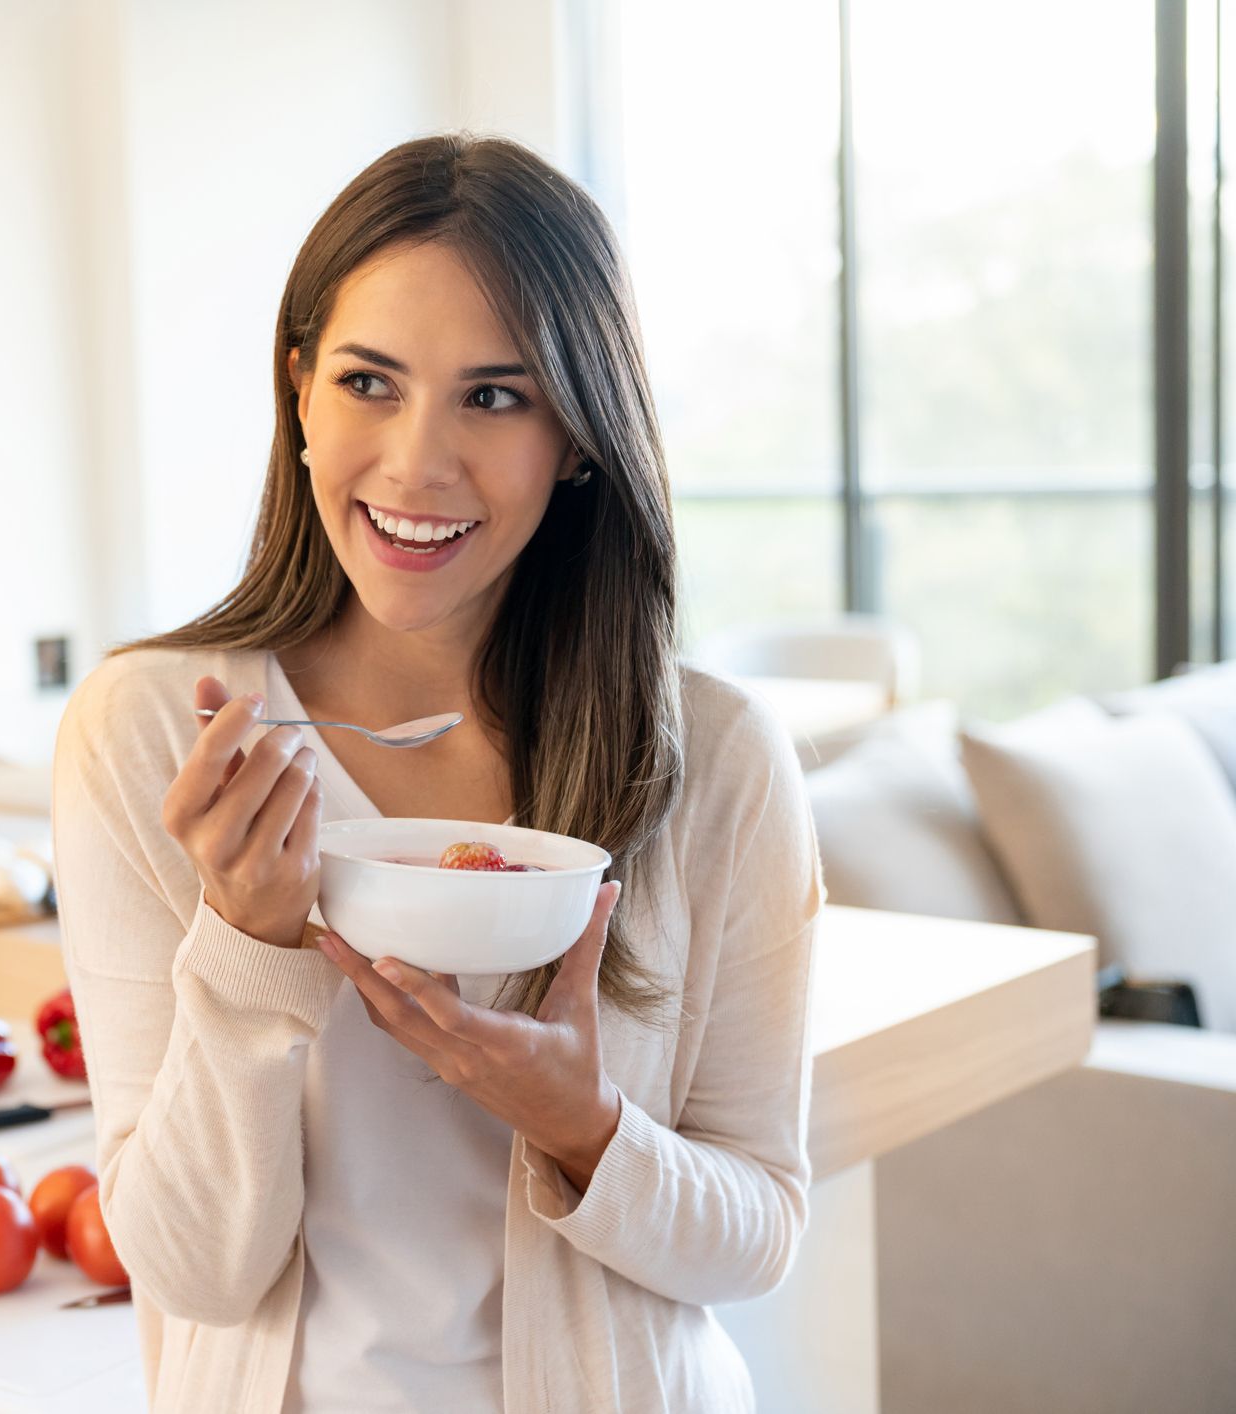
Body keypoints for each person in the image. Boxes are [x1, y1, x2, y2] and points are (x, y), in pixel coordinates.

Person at [49, 131, 824, 1414]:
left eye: (494, 395)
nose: (416, 463)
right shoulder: (155, 733)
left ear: (577, 436)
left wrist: (584, 1127)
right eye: (368, 381)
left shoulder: (716, 759)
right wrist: (246, 951)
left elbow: (757, 1231)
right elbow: (187, 1269)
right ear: (297, 389)